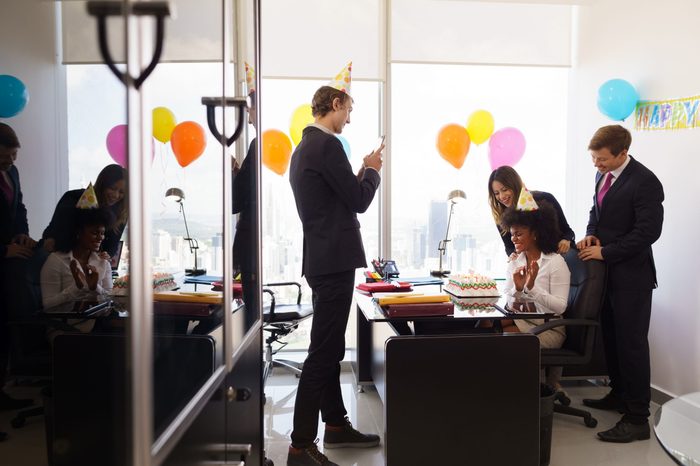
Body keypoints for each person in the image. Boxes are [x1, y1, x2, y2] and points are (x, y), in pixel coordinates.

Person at [287, 64, 383, 466]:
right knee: (323, 354)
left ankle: (337, 426)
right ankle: (300, 445)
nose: (349, 118)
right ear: (335, 103)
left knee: (324, 348)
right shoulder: (327, 146)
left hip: (322, 259)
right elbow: (358, 200)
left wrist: (360, 171)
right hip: (333, 261)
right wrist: (374, 171)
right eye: (348, 110)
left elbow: (339, 196)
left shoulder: (306, 147)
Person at [577, 125, 664, 443]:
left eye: (601, 159)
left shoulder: (645, 182)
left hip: (632, 278)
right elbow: (596, 210)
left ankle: (638, 417)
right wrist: (590, 232)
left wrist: (606, 251)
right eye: (594, 159)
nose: (596, 165)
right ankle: (619, 393)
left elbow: (648, 232)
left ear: (622, 154)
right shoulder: (603, 175)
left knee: (632, 344)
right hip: (606, 276)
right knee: (610, 338)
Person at [500, 192, 571, 387]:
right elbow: (509, 300)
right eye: (512, 233)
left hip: (549, 328)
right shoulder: (516, 261)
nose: (514, 239)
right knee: (486, 326)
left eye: (519, 234)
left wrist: (532, 289)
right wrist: (518, 288)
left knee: (503, 340)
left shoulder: (555, 263)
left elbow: (560, 308)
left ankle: (532, 392)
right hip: (524, 319)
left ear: (536, 233)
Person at [0, 123, 36, 411]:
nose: (11, 161)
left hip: (10, 265)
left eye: (14, 155)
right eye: (6, 155)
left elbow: (19, 208)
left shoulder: (12, 173)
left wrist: (22, 233)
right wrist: (4, 249)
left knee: (5, 331)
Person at [40, 206, 113, 333]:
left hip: (96, 328)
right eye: (95, 233)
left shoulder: (103, 263)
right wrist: (75, 289)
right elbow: (47, 305)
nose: (100, 238)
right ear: (78, 232)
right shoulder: (56, 260)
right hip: (63, 330)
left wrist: (94, 288)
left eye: (102, 233)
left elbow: (110, 303)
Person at [42, 164, 127, 260]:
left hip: (91, 261)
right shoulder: (72, 198)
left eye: (121, 192)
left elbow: (111, 246)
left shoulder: (121, 212)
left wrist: (106, 255)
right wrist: (50, 240)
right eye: (112, 188)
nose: (116, 195)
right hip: (58, 254)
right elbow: (52, 231)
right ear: (102, 184)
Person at [488, 166, 575, 257]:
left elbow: (568, 231)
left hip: (557, 252)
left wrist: (566, 240)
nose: (502, 197)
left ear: (515, 185)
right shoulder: (500, 214)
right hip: (529, 259)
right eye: (497, 193)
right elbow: (509, 247)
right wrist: (512, 254)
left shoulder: (545, 199)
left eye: (505, 190)